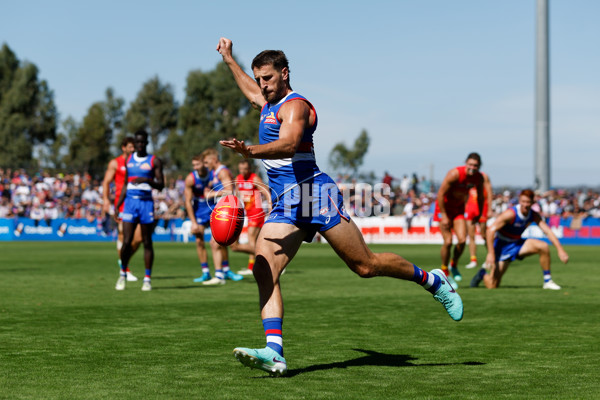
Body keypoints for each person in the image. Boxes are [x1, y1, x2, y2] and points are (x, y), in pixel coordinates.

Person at [216, 37, 463, 377]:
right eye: (259, 79)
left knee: (365, 266)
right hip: (287, 204)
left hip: (315, 196)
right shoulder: (268, 99)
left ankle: (433, 281)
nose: (262, 86)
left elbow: (288, 144)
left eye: (268, 78)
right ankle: (275, 352)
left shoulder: (295, 106)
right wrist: (229, 59)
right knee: (263, 268)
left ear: (284, 74)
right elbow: (249, 91)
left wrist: (250, 152)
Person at [470, 189, 569, 290]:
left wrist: (560, 250)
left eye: (528, 202)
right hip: (502, 247)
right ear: (519, 201)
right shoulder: (510, 213)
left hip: (517, 244)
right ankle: (482, 273)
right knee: (492, 285)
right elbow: (490, 231)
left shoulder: (533, 215)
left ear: (532, 202)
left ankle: (548, 281)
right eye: (523, 202)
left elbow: (548, 231)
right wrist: (490, 254)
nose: (525, 205)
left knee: (543, 246)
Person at [115, 130, 165, 291]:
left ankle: (147, 279)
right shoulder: (128, 160)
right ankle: (122, 273)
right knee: (127, 241)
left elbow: (161, 185)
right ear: (134, 144)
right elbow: (124, 184)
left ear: (147, 143)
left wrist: (147, 180)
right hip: (130, 203)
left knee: (147, 242)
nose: (140, 145)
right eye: (138, 142)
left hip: (146, 204)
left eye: (143, 142)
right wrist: (118, 205)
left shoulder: (154, 161)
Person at [433, 153, 485, 288]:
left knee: (462, 240)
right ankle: (445, 271)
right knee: (448, 241)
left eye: (476, 165)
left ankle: (454, 264)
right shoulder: (454, 174)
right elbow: (440, 194)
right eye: (470, 164)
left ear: (479, 167)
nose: (472, 168)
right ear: (466, 164)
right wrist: (443, 215)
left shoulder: (478, 178)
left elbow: (480, 197)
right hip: (443, 210)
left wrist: (479, 214)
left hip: (458, 210)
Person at [102, 136, 143, 281]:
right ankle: (125, 268)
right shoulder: (115, 163)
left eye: (134, 147)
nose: (133, 149)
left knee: (138, 238)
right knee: (123, 235)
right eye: (130, 147)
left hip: (137, 202)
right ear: (123, 147)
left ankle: (123, 262)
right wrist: (106, 199)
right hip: (122, 203)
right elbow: (106, 182)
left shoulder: (137, 162)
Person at [201, 148, 244, 285]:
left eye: (207, 162)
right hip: (223, 209)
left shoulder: (222, 171)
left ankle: (219, 276)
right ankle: (225, 270)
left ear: (214, 159)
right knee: (224, 243)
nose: (206, 164)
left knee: (215, 243)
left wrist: (212, 194)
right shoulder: (215, 173)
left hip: (228, 210)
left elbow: (229, 190)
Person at [231, 159, 271, 275]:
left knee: (251, 240)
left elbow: (265, 190)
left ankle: (262, 263)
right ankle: (253, 266)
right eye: (241, 169)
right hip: (248, 213)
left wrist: (269, 206)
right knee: (254, 241)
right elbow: (236, 195)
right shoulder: (238, 179)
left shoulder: (254, 178)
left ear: (249, 169)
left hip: (256, 212)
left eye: (245, 169)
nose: (243, 171)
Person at [183, 153, 214, 283]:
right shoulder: (190, 179)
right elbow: (187, 202)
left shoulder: (214, 174)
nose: (195, 167)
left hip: (213, 207)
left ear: (204, 163)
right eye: (193, 165)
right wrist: (193, 222)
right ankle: (205, 272)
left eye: (198, 164)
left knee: (220, 241)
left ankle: (225, 269)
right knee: (199, 241)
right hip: (200, 211)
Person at [464, 171, 493, 269]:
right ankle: (473, 260)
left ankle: (491, 257)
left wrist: (489, 209)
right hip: (470, 208)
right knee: (471, 236)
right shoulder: (466, 176)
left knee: (484, 234)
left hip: (482, 207)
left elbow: (489, 192)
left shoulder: (484, 176)